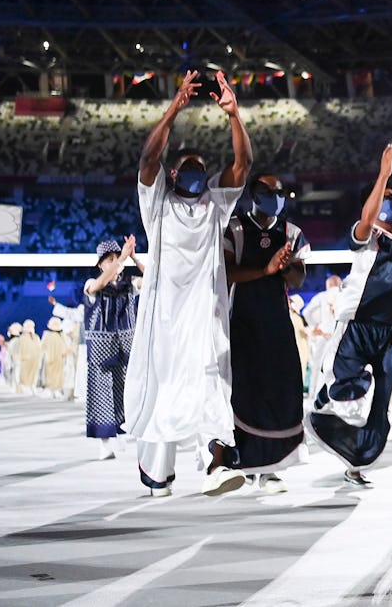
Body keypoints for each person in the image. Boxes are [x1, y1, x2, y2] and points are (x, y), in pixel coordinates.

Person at [126, 69, 251, 498]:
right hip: (163, 320)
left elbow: (243, 165)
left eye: (202, 166)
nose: (197, 172)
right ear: (173, 175)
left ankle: (216, 463)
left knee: (212, 383)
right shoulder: (157, 203)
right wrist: (174, 108)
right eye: (188, 167)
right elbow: (147, 160)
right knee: (164, 393)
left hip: (205, 316)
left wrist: (235, 116)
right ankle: (158, 474)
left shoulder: (216, 202)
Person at [310, 134, 392, 484]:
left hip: (387, 330)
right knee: (345, 388)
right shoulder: (365, 235)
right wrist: (383, 175)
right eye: (386, 197)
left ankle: (357, 461)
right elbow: (367, 219)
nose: (391, 203)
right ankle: (322, 403)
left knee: (380, 405)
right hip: (356, 324)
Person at [222, 169, 310, 495]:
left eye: (279, 191)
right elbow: (227, 273)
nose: (275, 197)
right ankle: (246, 462)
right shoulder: (234, 228)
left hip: (277, 323)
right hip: (243, 322)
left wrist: (285, 266)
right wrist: (265, 269)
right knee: (244, 394)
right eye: (267, 190)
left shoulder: (292, 232)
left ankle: (272, 469)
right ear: (253, 194)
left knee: (280, 392)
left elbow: (299, 278)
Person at [84, 238, 143, 460]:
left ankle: (121, 432)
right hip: (101, 349)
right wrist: (123, 258)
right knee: (101, 395)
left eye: (116, 258)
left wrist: (135, 257)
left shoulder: (129, 282)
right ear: (101, 265)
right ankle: (104, 443)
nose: (116, 263)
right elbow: (97, 286)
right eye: (110, 260)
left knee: (125, 392)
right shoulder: (91, 282)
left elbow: (152, 279)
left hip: (125, 347)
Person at [40, 317, 72, 399]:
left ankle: (52, 390)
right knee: (58, 374)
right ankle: (56, 390)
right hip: (60, 358)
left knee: (51, 374)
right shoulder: (61, 335)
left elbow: (42, 346)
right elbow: (66, 347)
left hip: (51, 358)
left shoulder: (48, 335)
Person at [14, 319, 42, 393]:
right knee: (24, 375)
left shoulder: (36, 337)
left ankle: (31, 386)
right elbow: (19, 350)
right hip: (25, 360)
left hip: (35, 360)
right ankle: (23, 387)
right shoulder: (22, 338)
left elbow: (39, 348)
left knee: (33, 375)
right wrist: (20, 358)